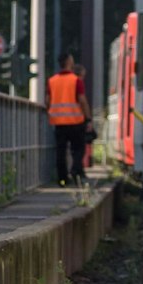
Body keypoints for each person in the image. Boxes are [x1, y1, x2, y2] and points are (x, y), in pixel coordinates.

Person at [47, 53, 90, 186]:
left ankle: (62, 179)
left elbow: (47, 101)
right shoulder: (76, 80)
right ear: (69, 62)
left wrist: (51, 112)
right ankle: (75, 171)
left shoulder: (52, 80)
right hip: (76, 121)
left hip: (58, 123)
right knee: (78, 149)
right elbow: (82, 100)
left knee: (60, 151)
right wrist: (88, 118)